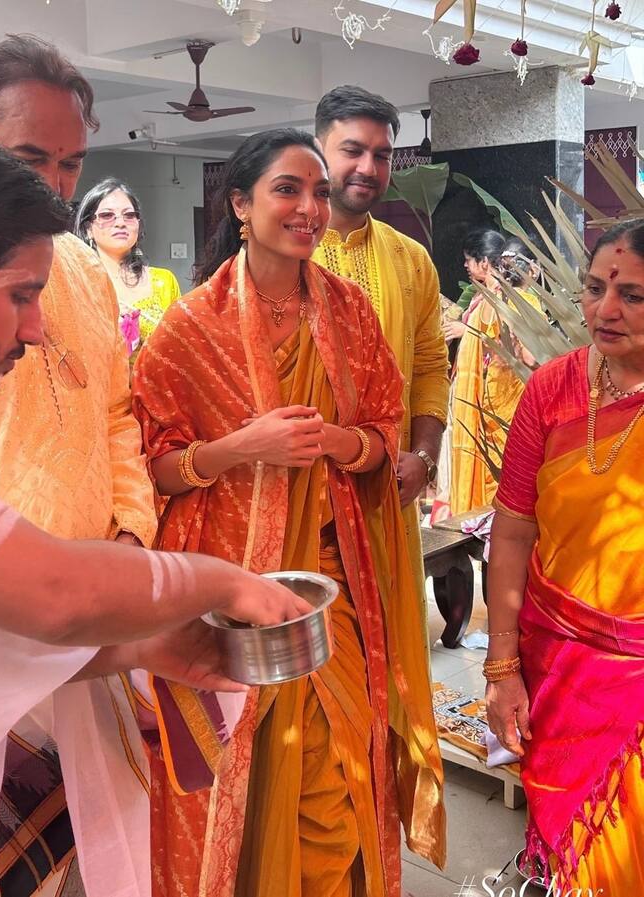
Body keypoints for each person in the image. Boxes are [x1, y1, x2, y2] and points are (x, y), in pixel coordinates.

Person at [0, 132, 308, 897]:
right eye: (21, 296)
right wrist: (214, 581)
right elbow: (52, 595)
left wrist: (138, 644)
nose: (35, 330)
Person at [133, 129, 445, 897]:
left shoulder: (351, 312)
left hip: (329, 594)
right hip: (226, 600)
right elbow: (152, 470)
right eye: (286, 190)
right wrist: (237, 448)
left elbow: (381, 440)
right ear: (240, 203)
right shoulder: (189, 330)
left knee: (333, 780)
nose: (309, 209)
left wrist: (343, 441)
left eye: (316, 193)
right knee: (239, 781)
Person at [0, 34, 155, 894]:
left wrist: (132, 536)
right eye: (31, 155)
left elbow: (116, 418)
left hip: (88, 614)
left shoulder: (86, 274)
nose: (54, 187)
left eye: (70, 163)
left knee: (80, 858)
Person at [485, 219, 644, 893]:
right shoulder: (550, 388)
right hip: (558, 664)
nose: (604, 310)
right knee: (570, 851)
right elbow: (514, 529)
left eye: (632, 294)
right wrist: (501, 667)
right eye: (594, 288)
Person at [312, 85, 449, 626]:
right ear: (319, 149)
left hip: (386, 495)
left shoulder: (411, 259)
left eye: (382, 154)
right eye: (352, 150)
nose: (367, 167)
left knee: (390, 642)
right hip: (302, 495)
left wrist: (424, 457)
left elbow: (433, 366)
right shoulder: (280, 252)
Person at [447, 227, 531, 515]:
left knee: (496, 468)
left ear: (486, 262)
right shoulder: (486, 297)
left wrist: (466, 331)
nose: (466, 267)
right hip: (487, 395)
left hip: (499, 398)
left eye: (469, 260)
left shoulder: (512, 300)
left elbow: (517, 350)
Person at [75, 177, 181, 357]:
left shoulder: (164, 282)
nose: (120, 223)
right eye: (107, 215)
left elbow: (182, 346)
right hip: (101, 383)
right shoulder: (78, 285)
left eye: (129, 215)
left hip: (159, 383)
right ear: (88, 229)